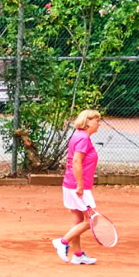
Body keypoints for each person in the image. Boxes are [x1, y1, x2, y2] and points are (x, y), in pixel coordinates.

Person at [51, 109, 102, 265]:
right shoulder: (83, 139)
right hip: (78, 186)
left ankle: (78, 255)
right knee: (92, 220)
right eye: (96, 120)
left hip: (71, 184)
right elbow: (76, 162)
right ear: (87, 121)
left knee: (78, 219)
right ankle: (63, 242)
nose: (98, 123)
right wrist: (80, 185)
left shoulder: (79, 136)